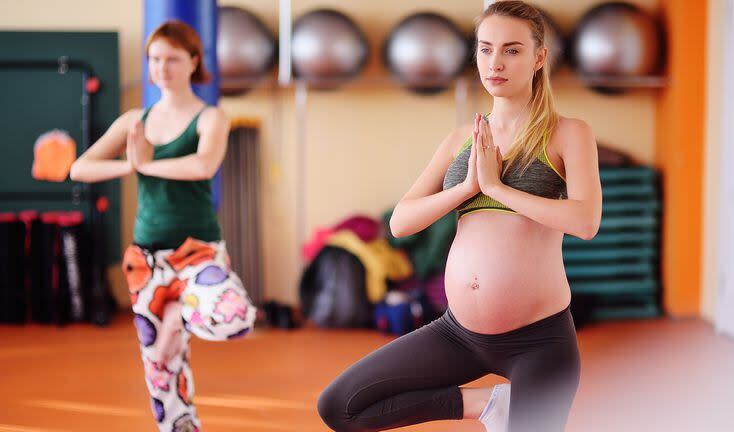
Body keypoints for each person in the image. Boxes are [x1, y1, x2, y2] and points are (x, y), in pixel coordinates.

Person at [317, 2, 602, 431]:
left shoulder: (568, 133)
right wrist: (466, 189)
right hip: (458, 334)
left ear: (539, 58)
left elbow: (585, 221)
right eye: (485, 49)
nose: (495, 63)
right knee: (340, 406)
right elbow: (401, 222)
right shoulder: (460, 140)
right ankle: (490, 405)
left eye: (511, 50)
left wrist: (497, 188)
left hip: (539, 342)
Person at [70, 20, 257, 432]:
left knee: (236, 318)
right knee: (162, 373)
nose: (161, 68)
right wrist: (130, 165)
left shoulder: (212, 117)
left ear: (193, 61)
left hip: (198, 252)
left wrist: (147, 164)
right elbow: (80, 168)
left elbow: (203, 164)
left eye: (172, 59)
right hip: (146, 259)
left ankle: (181, 317)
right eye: (154, 59)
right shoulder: (135, 120)